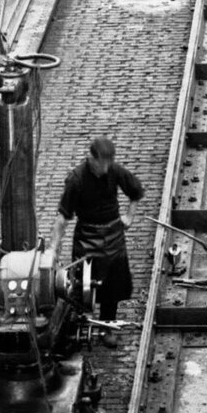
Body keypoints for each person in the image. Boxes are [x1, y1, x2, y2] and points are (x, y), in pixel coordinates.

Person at [58, 134, 143, 324]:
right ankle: (79, 321)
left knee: (112, 285)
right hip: (87, 237)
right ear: (91, 158)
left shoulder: (114, 170)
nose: (104, 169)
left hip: (113, 235)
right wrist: (52, 249)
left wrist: (129, 216)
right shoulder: (76, 179)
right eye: (101, 164)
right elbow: (63, 216)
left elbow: (135, 190)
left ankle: (107, 324)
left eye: (107, 164)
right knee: (78, 282)